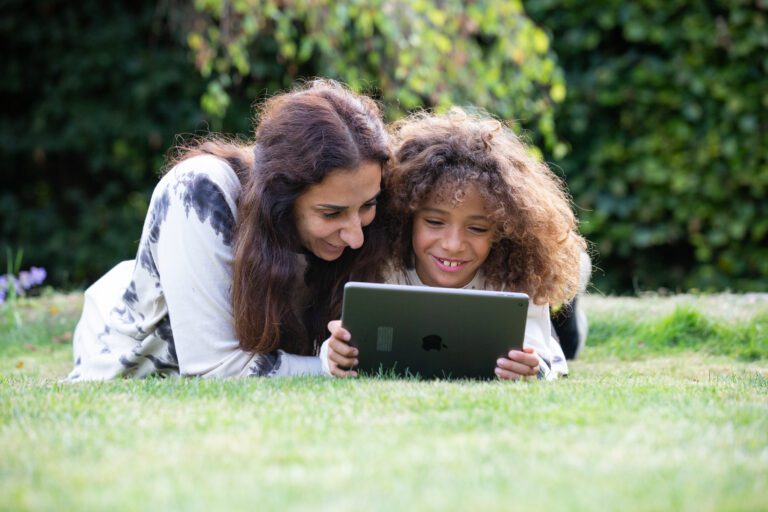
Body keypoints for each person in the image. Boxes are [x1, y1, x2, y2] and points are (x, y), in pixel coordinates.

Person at [67, 79, 390, 381]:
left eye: (367, 206)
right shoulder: (199, 188)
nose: (355, 236)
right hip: (129, 372)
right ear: (281, 196)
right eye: (331, 213)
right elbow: (214, 366)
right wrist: (324, 366)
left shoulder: (362, 222)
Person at [323, 108, 587, 380]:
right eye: (435, 223)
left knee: (568, 343)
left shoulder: (516, 278)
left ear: (502, 231)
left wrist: (531, 367)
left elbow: (538, 356)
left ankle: (575, 293)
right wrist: (332, 354)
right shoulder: (382, 266)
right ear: (406, 218)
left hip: (550, 333)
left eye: (477, 228)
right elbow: (344, 339)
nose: (452, 245)